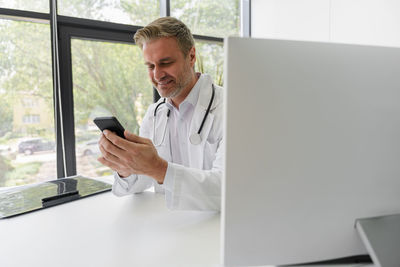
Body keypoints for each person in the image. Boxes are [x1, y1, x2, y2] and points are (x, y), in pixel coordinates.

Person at [97, 17, 223, 211]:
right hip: (169, 229)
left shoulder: (229, 107)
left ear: (191, 56)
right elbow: (142, 182)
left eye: (165, 63)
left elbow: (227, 189)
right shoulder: (154, 114)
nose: (157, 75)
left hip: (218, 231)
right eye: (150, 66)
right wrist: (126, 169)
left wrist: (158, 168)